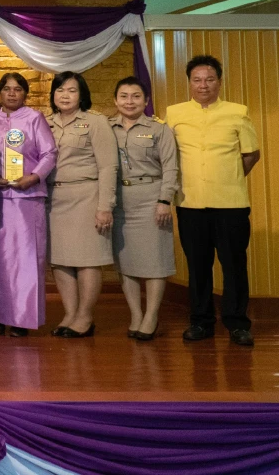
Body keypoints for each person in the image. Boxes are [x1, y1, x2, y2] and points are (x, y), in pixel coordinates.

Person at [166, 54, 261, 347]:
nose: (203, 85)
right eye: (197, 80)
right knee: (197, 265)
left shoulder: (237, 112)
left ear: (219, 82)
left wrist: (228, 177)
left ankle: (237, 324)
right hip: (190, 201)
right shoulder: (174, 113)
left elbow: (251, 154)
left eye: (209, 79)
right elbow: (168, 157)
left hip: (231, 203)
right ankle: (201, 322)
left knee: (234, 265)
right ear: (189, 83)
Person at [0, 73, 56, 337]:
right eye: (7, 89)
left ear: (25, 93)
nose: (12, 94)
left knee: (26, 261)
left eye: (18, 89)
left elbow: (50, 153)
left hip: (28, 198)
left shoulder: (34, 118)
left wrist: (34, 177)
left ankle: (23, 318)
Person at [45, 71, 117, 339]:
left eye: (72, 90)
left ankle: (85, 317)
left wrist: (105, 206)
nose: (65, 95)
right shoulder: (44, 122)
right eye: (60, 90)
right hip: (54, 199)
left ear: (82, 95)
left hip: (87, 197)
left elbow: (109, 166)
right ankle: (70, 313)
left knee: (88, 260)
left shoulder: (95, 122)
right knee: (60, 260)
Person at [111, 76, 178, 342]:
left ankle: (151, 315)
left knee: (155, 260)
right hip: (119, 200)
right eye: (124, 96)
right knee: (125, 261)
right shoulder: (106, 128)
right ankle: (135, 314)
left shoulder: (159, 129)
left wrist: (165, 200)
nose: (130, 101)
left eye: (136, 96)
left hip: (151, 197)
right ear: (115, 100)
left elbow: (171, 166)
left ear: (146, 101)